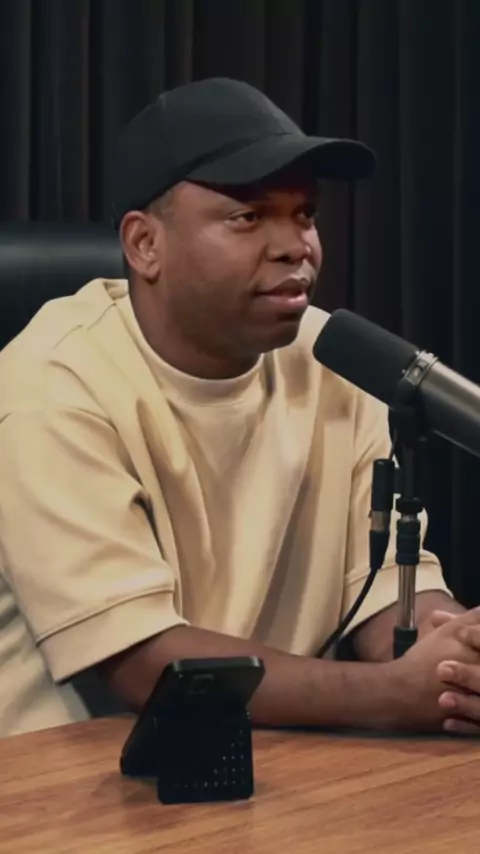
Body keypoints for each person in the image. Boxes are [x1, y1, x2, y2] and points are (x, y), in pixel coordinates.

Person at [0, 77, 479, 740]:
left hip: (278, 759)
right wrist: (396, 694)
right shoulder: (52, 384)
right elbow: (144, 663)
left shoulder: (337, 360)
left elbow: (379, 594)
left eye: (304, 214)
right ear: (144, 245)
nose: (295, 246)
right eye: (249, 217)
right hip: (76, 777)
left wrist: (452, 652)